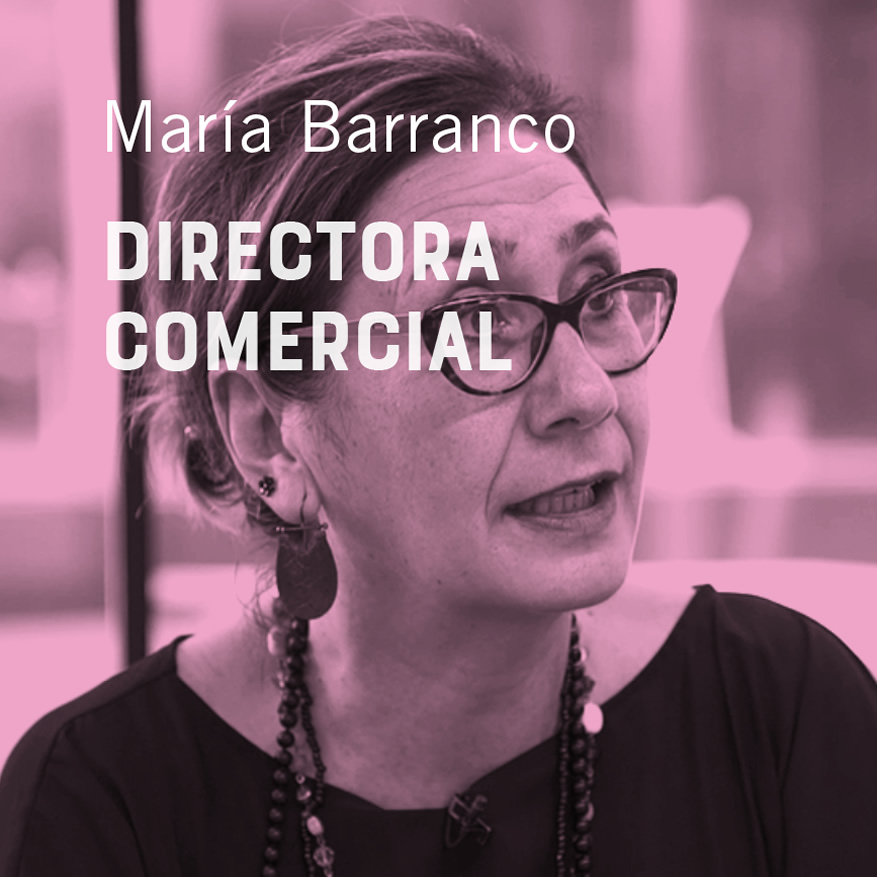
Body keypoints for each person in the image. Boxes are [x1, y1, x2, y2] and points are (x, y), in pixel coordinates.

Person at [1, 15, 876, 877]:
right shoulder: (101, 802)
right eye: (475, 320)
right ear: (271, 435)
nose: (586, 393)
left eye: (599, 292)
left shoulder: (784, 719)